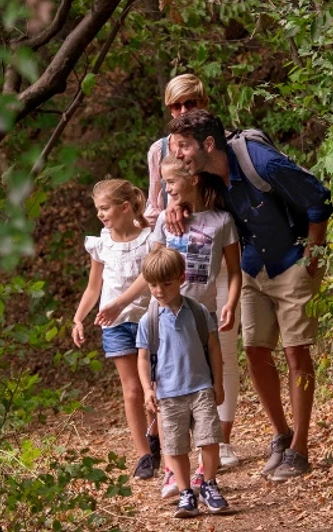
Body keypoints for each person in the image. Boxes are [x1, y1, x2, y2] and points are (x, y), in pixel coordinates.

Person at [164, 109, 333, 482]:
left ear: (209, 144)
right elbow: (189, 190)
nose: (178, 154)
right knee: (256, 351)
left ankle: (300, 449)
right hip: (254, 265)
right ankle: (282, 435)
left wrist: (314, 251)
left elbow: (318, 197)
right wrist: (177, 203)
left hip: (293, 259)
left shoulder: (261, 161)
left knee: (296, 352)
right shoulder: (207, 173)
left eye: (184, 147)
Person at [96, 157, 242, 497]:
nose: (165, 190)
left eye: (171, 183)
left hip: (201, 316)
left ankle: (205, 473)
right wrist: (119, 303)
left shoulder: (221, 221)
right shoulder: (164, 220)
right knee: (166, 392)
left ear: (194, 178)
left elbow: (234, 271)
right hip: (162, 317)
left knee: (203, 391)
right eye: (163, 183)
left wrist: (231, 304)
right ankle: (172, 472)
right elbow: (150, 272)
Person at [143, 74, 246, 473]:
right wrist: (172, 206)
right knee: (178, 349)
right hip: (177, 255)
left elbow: (230, 191)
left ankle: (222, 439)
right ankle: (180, 446)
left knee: (223, 347)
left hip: (217, 246)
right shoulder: (160, 149)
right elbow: (155, 202)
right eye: (176, 105)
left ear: (205, 101)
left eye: (191, 103)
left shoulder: (219, 141)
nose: (183, 110)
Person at [71, 179, 160, 480]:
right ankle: (144, 455)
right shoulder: (101, 244)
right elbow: (93, 287)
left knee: (154, 385)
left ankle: (156, 436)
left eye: (105, 208)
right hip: (116, 324)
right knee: (132, 389)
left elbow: (148, 277)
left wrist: (119, 304)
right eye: (97, 209)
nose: (100, 214)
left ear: (124, 207)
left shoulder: (149, 240)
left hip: (149, 320)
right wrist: (78, 318)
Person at [135, 247, 230, 518]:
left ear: (180, 278)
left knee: (209, 438)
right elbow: (143, 358)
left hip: (201, 388)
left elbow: (214, 348)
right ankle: (186, 492)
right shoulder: (149, 320)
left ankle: (209, 484)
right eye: (153, 285)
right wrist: (147, 389)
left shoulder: (198, 312)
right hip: (168, 394)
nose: (159, 291)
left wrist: (218, 383)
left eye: (166, 284)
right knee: (175, 446)